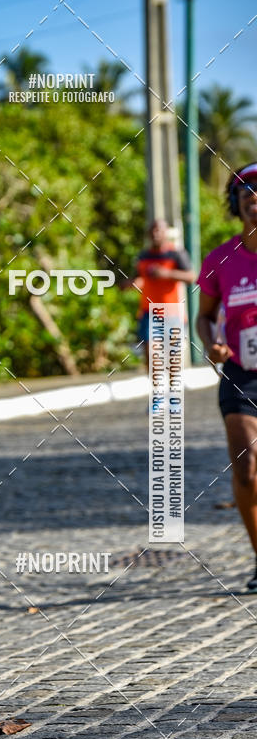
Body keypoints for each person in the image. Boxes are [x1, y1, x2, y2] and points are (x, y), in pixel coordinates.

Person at [197, 162, 257, 592]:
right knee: (247, 468)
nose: (255, 203)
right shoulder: (221, 259)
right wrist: (212, 344)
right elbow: (205, 318)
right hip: (241, 373)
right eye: (247, 197)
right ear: (236, 205)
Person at [128, 219, 195, 369]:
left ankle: (172, 389)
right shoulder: (143, 256)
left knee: (172, 358)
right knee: (151, 352)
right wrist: (130, 284)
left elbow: (191, 276)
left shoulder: (176, 254)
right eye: (152, 230)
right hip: (148, 312)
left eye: (159, 230)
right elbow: (136, 278)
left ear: (166, 233)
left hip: (171, 312)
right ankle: (155, 388)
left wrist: (167, 273)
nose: (155, 233)